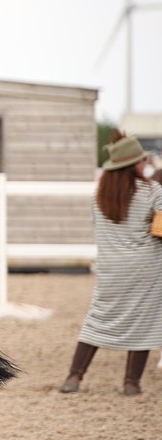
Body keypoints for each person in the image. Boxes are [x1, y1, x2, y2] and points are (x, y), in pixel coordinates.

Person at [60, 134, 162, 396]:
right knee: (143, 323)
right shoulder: (153, 191)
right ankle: (131, 383)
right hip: (146, 269)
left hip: (110, 269)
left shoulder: (98, 196)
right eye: (142, 160)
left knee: (97, 319)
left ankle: (74, 377)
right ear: (134, 164)